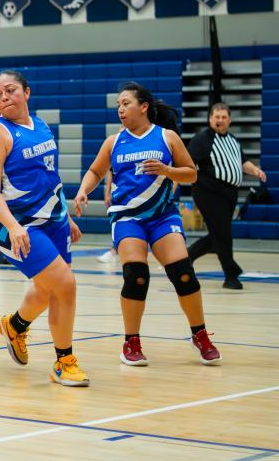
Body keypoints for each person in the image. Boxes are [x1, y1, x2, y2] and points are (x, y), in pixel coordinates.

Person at [74, 81, 221, 367]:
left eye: (125, 103)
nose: (120, 109)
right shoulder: (114, 142)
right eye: (118, 105)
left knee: (183, 274)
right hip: (127, 218)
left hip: (162, 216)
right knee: (136, 276)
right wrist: (83, 190)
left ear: (143, 107)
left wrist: (167, 170)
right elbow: (95, 171)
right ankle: (131, 342)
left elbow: (191, 174)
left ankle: (200, 335)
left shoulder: (167, 137)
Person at [0, 70, 89, 387]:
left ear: (27, 92)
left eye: (10, 90)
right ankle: (64, 362)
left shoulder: (41, 125)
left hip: (53, 219)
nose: (4, 97)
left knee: (49, 289)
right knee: (65, 284)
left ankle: (15, 325)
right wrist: (14, 227)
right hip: (17, 224)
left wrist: (66, 215)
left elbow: (50, 176)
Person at [187, 101, 267, 291]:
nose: (220, 120)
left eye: (224, 117)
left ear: (229, 120)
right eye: (217, 117)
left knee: (218, 233)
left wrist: (255, 170)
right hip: (209, 192)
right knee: (223, 233)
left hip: (229, 194)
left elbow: (242, 162)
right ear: (210, 119)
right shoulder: (202, 139)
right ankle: (231, 274)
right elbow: (187, 163)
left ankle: (187, 256)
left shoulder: (232, 140)